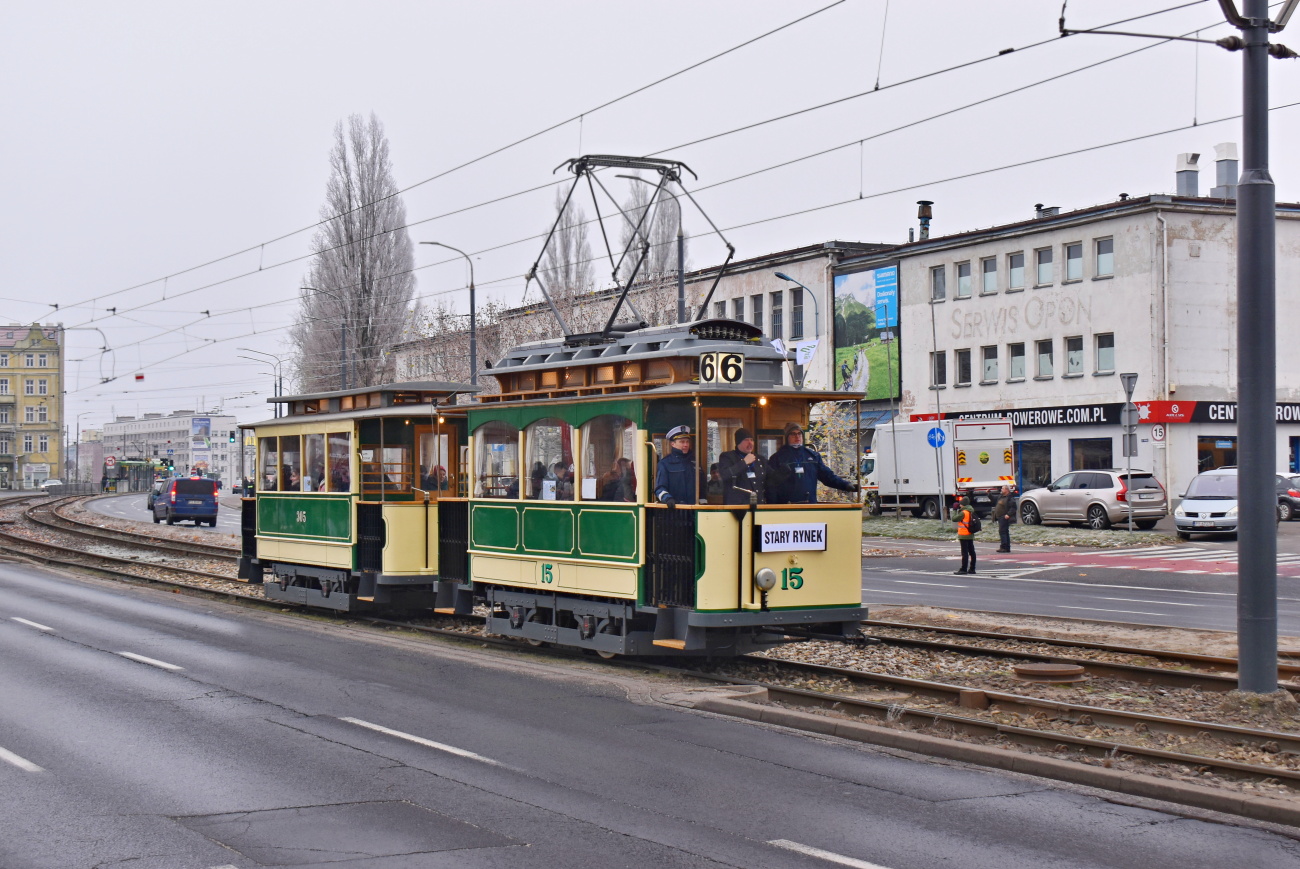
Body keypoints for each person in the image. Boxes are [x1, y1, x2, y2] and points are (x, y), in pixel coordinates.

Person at [766, 422, 857, 504]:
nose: (797, 437)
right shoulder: (777, 458)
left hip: (809, 505)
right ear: (787, 437)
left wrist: (845, 485)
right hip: (787, 506)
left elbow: (827, 476)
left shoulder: (813, 456)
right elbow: (770, 485)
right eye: (793, 434)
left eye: (799, 434)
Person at [654, 425, 703, 507]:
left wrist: (703, 502)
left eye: (687, 442)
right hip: (675, 510)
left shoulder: (695, 462)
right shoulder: (665, 463)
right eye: (682, 442)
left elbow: (702, 486)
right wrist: (668, 499)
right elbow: (660, 488)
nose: (686, 445)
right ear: (673, 444)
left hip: (695, 510)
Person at [718, 428, 768, 505]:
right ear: (738, 442)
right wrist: (744, 462)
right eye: (746, 440)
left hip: (758, 506)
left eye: (751, 440)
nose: (750, 443)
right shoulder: (728, 457)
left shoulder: (760, 459)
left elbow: (771, 479)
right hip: (738, 508)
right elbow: (725, 475)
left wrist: (784, 471)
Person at [954, 495, 978, 575]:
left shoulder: (963, 512)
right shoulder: (971, 511)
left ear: (963, 504)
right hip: (970, 534)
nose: (959, 505)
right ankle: (972, 568)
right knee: (972, 552)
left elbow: (954, 518)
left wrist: (954, 510)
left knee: (964, 553)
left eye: (960, 504)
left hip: (963, 535)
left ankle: (963, 569)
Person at [992, 485, 1014, 553]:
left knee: (1003, 532)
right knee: (1004, 532)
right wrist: (989, 494)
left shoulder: (1010, 498)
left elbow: (1013, 508)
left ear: (1007, 490)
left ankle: (1004, 547)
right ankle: (1006, 547)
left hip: (1004, 517)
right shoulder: (1001, 496)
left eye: (1003, 488)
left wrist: (1008, 514)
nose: (1001, 490)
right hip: (1000, 517)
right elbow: (993, 498)